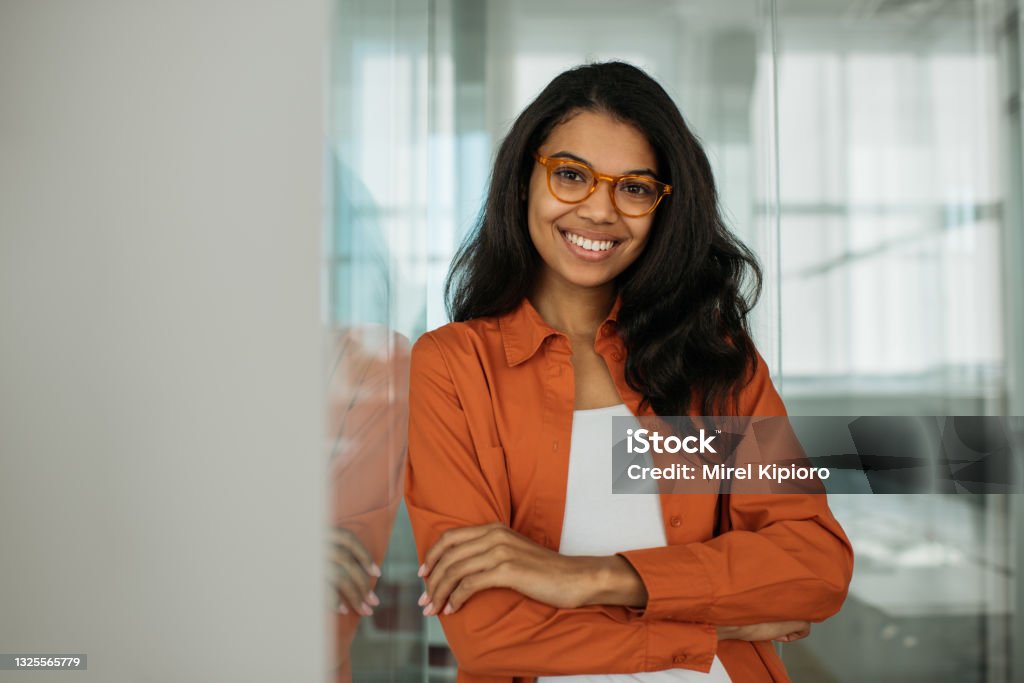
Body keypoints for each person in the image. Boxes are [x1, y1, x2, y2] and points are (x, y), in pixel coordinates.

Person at [403, 61, 853, 682]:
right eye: (570, 176)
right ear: (522, 181)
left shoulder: (717, 362)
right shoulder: (452, 367)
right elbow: (489, 634)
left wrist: (586, 578)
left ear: (664, 208)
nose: (599, 211)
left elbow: (814, 564)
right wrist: (712, 626)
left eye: (635, 188)